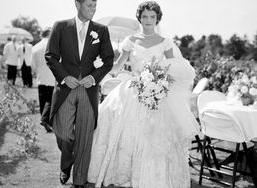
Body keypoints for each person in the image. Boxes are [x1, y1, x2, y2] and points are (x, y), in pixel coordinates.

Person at [87, 1, 199, 188]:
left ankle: (157, 177)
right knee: (122, 128)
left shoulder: (166, 42)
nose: (148, 20)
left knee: (158, 135)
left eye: (152, 16)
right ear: (139, 18)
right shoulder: (130, 40)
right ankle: (127, 173)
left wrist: (160, 79)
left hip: (159, 92)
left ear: (157, 19)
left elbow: (176, 67)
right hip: (133, 90)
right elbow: (117, 66)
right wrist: (98, 65)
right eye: (145, 16)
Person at [45, 0, 114, 187]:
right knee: (64, 133)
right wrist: (65, 77)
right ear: (77, 4)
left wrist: (94, 78)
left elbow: (108, 60)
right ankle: (66, 162)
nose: (93, 9)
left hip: (89, 90)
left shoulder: (101, 30)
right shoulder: (60, 26)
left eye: (95, 5)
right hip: (66, 88)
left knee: (85, 137)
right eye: (89, 5)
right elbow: (50, 56)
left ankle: (80, 180)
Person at [31, 28, 55, 133]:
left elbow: (32, 65)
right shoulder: (54, 46)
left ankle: (44, 120)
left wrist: (37, 72)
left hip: (41, 78)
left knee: (43, 100)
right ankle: (45, 120)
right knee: (51, 100)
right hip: (52, 77)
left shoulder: (35, 47)